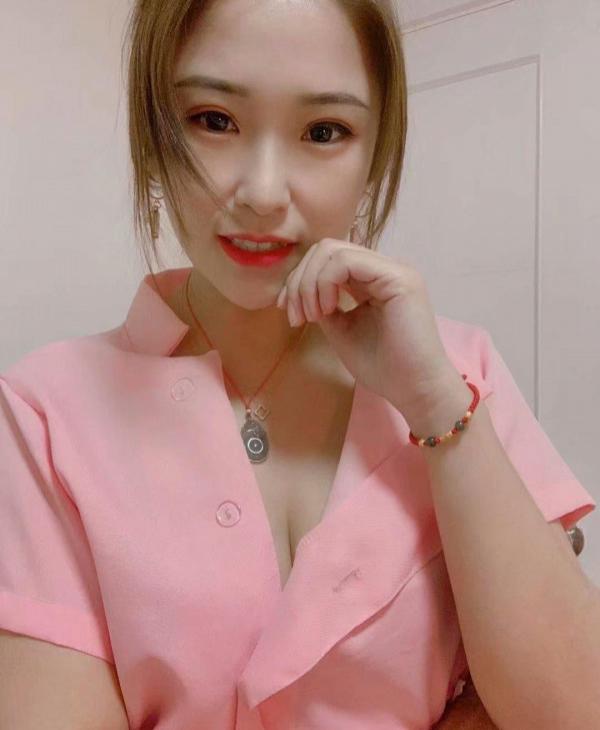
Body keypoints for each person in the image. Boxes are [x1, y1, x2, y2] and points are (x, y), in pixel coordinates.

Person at [0, 0, 595, 728]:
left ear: (374, 157)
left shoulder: (459, 371)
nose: (262, 193)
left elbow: (573, 709)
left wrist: (438, 406)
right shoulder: (44, 412)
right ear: (154, 138)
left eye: (323, 132)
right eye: (214, 120)